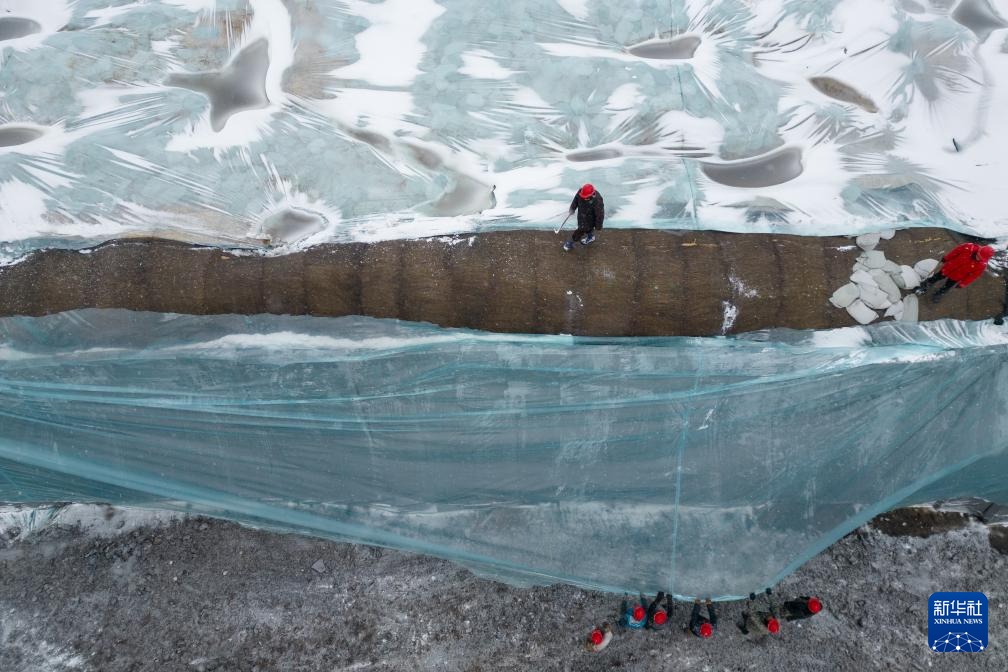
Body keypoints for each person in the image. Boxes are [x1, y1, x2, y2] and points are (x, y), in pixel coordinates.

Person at [915, 242, 995, 303]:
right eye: (978, 255)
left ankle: (939, 294)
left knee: (947, 286)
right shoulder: (968, 247)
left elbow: (973, 276)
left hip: (957, 276)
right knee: (936, 277)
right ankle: (925, 286)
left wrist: (963, 283)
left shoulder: (982, 265)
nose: (977, 258)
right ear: (979, 250)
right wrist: (947, 258)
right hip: (949, 267)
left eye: (980, 258)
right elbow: (955, 252)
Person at [563, 183, 604, 252]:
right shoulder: (580, 192)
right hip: (581, 215)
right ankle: (590, 237)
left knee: (580, 230)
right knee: (587, 228)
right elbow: (575, 200)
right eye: (583, 196)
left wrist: (598, 226)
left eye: (586, 197)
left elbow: (600, 214)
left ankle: (571, 242)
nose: (583, 198)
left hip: (590, 219)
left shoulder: (597, 200)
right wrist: (572, 208)